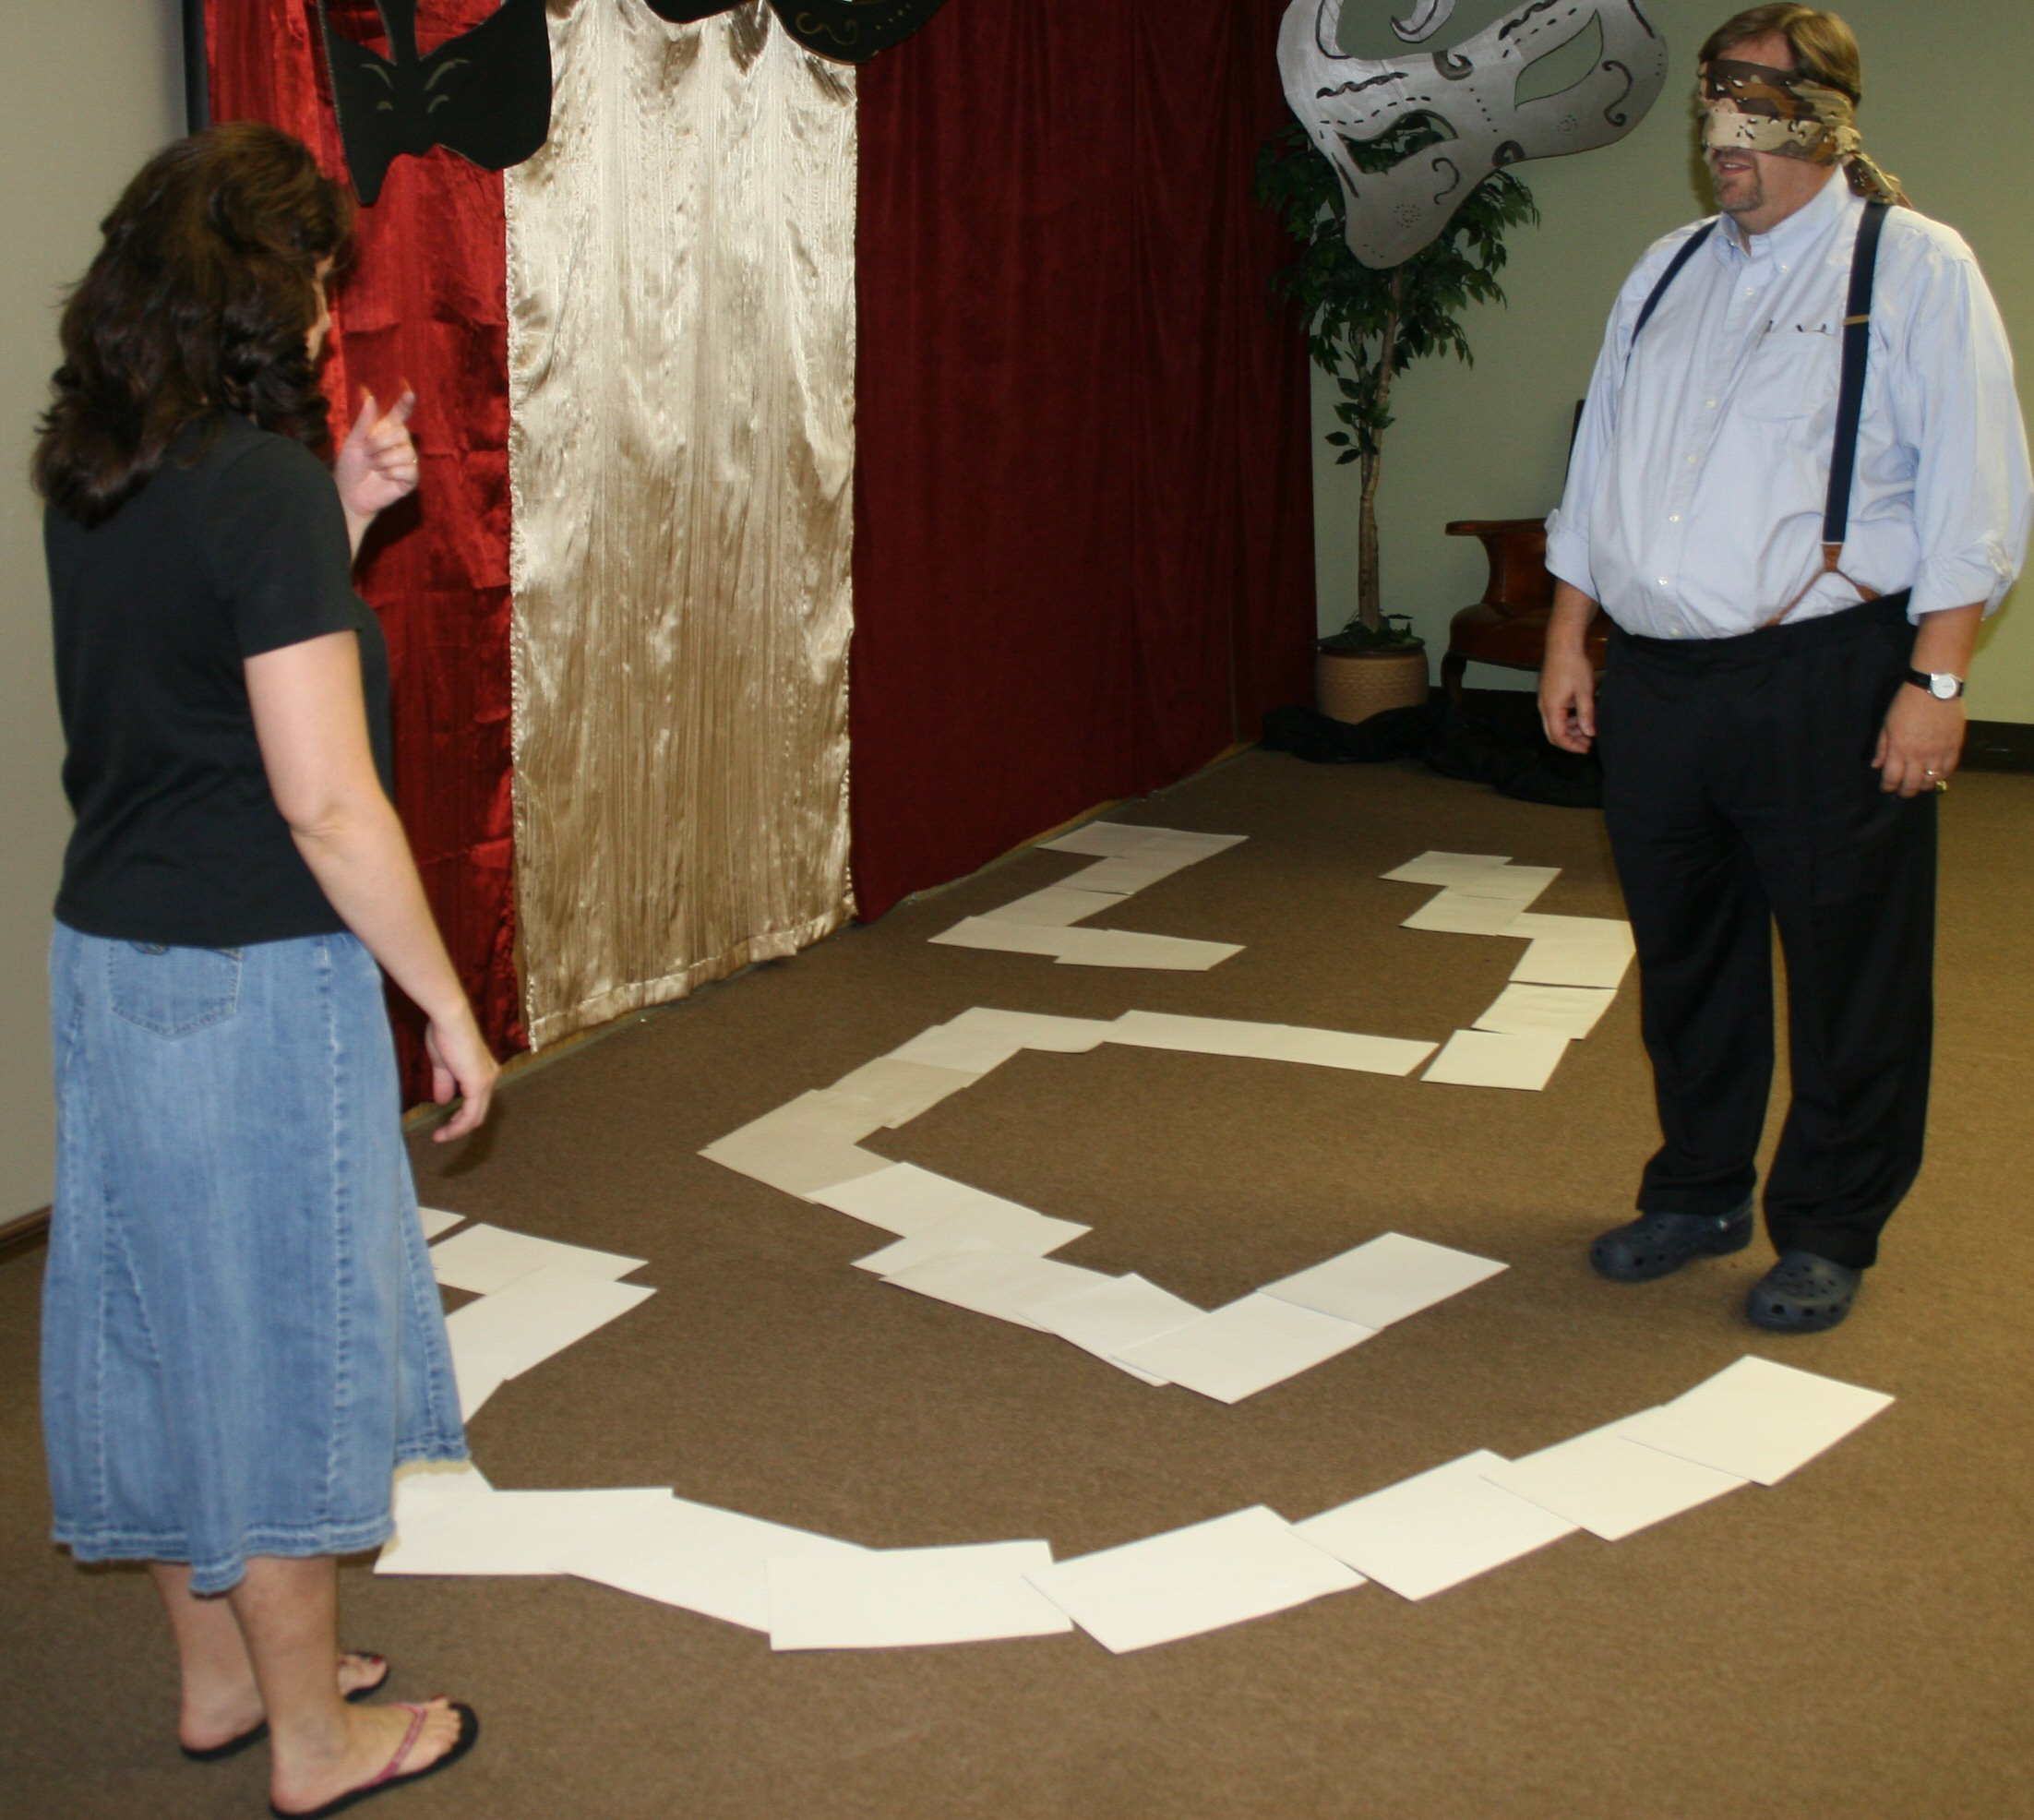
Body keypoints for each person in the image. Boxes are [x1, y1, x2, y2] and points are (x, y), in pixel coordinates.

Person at [36, 124, 497, 1815]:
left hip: (115, 963)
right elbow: (319, 798)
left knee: (155, 1331)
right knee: (277, 1347)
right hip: (247, 986)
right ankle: (318, 1741)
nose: (326, 321)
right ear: (257, 287)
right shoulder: (258, 483)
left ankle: (224, 1681)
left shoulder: (99, 460)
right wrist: (444, 1002)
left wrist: (350, 521)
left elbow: (200, 696)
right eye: (315, 285)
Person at [1537, 6, 2029, 1332]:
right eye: (1714, 99)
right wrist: (1570, 636)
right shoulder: (1664, 269)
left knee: (1847, 961)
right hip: (1660, 681)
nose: (1722, 131)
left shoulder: (1913, 266)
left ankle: (1828, 1223)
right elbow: (1600, 474)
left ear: (1824, 113)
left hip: (1828, 670)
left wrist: (1935, 684)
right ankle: (1697, 1189)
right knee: (1686, 954)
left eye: (1754, 101)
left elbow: (1977, 493)